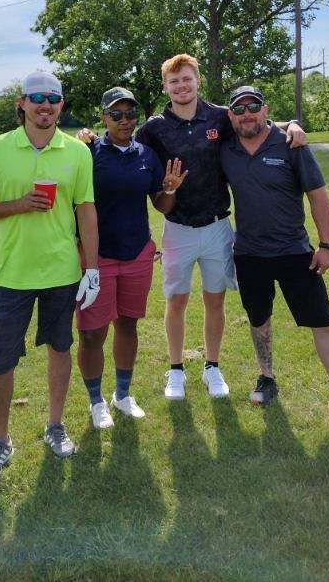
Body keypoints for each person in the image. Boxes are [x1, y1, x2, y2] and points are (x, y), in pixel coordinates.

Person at [134, 54, 306, 402]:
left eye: (187, 79)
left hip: (216, 225)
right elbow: (126, 150)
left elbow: (256, 125)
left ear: (198, 81)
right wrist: (91, 139)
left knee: (215, 300)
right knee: (176, 300)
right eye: (174, 81)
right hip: (178, 227)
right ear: (165, 86)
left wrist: (291, 125)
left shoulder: (218, 117)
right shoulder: (154, 128)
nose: (181, 86)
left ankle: (212, 366)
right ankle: (176, 370)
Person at [220, 85, 329, 430]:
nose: (247, 113)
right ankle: (267, 377)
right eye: (239, 108)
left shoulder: (291, 144)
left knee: (322, 323)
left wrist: (327, 245)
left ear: (266, 110)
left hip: (296, 253)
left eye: (254, 107)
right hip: (249, 255)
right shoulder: (226, 148)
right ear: (230, 114)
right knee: (259, 319)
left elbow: (318, 195)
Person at [0, 71, 100, 481]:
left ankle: (55, 427)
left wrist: (90, 268)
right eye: (37, 97)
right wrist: (19, 204)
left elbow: (86, 210)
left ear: (61, 105)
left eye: (53, 99)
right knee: (1, 360)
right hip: (12, 276)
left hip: (61, 273)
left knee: (60, 349)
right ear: (21, 103)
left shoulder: (77, 153)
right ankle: (0, 440)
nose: (46, 105)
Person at [77, 87, 188, 428]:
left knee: (127, 323)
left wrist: (169, 189)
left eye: (130, 114)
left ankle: (122, 395)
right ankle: (96, 402)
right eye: (116, 114)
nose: (124, 121)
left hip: (138, 251)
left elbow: (160, 204)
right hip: (97, 256)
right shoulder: (87, 152)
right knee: (92, 333)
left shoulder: (146, 154)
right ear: (103, 118)